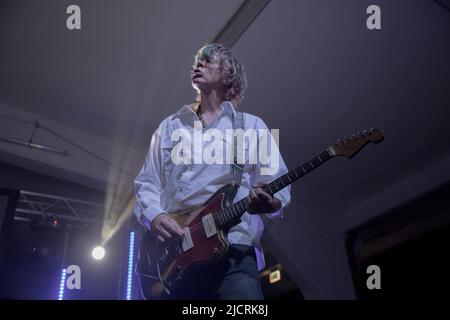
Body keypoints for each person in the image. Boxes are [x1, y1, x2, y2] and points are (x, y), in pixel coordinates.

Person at [134, 43, 291, 300]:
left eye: (208, 59)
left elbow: (276, 181)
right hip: (176, 256)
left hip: (234, 253)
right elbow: (147, 182)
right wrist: (155, 216)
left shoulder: (252, 126)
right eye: (196, 60)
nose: (198, 63)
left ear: (229, 72)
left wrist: (270, 201)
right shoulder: (170, 126)